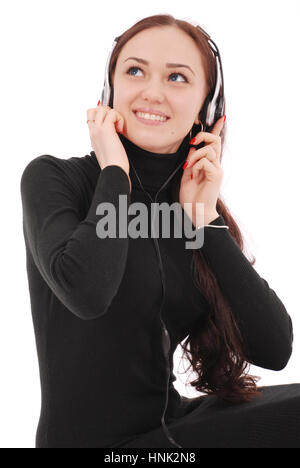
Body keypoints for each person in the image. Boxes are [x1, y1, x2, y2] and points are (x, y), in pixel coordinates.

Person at [20, 13, 300, 448]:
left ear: (207, 108)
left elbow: (274, 348)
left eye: (177, 77)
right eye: (135, 71)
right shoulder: (54, 180)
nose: (153, 92)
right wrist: (115, 171)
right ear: (110, 89)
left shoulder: (192, 212)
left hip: (172, 432)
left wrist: (205, 222)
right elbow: (87, 293)